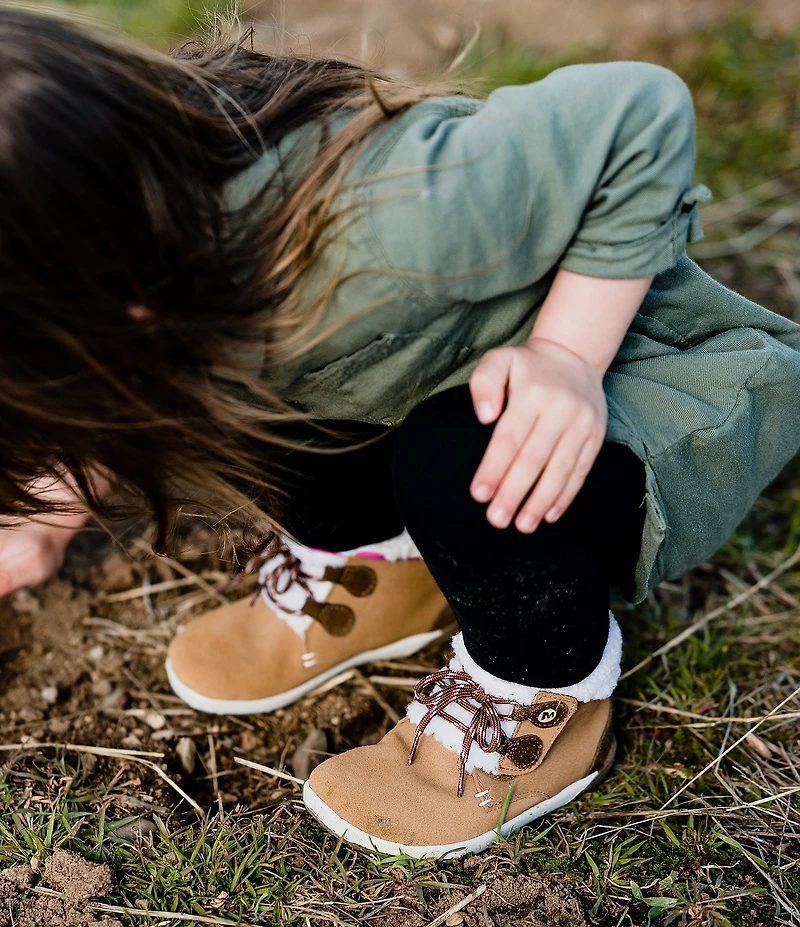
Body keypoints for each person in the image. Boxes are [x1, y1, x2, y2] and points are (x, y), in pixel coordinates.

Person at [2, 7, 799, 859]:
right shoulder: (167, 262)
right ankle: (376, 564)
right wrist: (41, 515)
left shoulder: (394, 214)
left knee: (453, 462)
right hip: (451, 375)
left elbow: (638, 111)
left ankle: (542, 690)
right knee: (255, 394)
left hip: (647, 381)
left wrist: (566, 356)